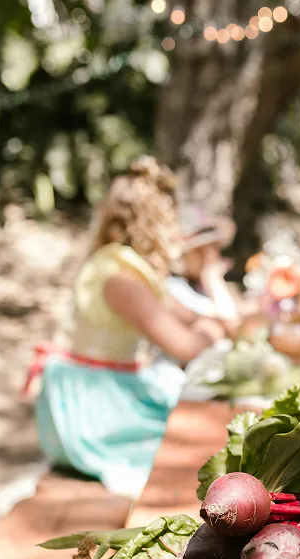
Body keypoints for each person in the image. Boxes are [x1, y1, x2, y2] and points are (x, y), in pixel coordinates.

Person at [30, 157, 226, 498]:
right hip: (90, 408)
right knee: (190, 457)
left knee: (202, 429)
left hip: (113, 389)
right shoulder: (121, 277)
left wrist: (207, 323)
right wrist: (215, 330)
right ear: (155, 222)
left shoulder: (126, 267)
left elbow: (184, 316)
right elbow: (184, 345)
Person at [166, 206, 240, 324]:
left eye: (215, 248)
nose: (212, 256)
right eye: (202, 251)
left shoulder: (200, 289)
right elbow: (230, 321)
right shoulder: (173, 288)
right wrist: (213, 278)